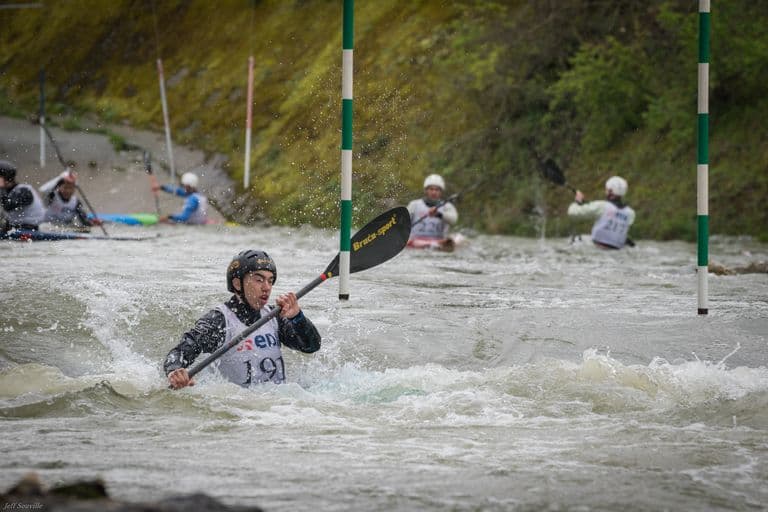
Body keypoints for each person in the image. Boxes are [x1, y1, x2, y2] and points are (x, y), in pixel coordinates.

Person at [164, 250, 322, 389]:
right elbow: (179, 352)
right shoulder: (219, 320)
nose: (266, 287)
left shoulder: (274, 317)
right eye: (259, 280)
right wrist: (175, 371)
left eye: (270, 280)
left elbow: (311, 346)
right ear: (237, 284)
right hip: (241, 411)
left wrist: (297, 317)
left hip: (277, 410)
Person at [567, 175, 636, 249]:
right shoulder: (631, 213)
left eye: (606, 189)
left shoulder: (601, 206)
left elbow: (572, 213)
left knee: (576, 239)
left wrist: (578, 201)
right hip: (617, 248)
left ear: (610, 191)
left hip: (597, 247)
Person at [407, 173, 458, 249]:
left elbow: (454, 220)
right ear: (426, 190)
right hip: (416, 240)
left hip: (439, 241)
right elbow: (403, 221)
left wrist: (439, 214)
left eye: (437, 189)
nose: (434, 192)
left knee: (459, 238)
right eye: (431, 189)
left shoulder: (447, 206)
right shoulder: (414, 205)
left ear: (441, 192)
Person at [0, 160, 45, 231]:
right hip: (14, 227)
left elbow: (7, 206)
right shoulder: (6, 192)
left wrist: (1, 187)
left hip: (30, 228)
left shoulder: (24, 191)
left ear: (5, 178)